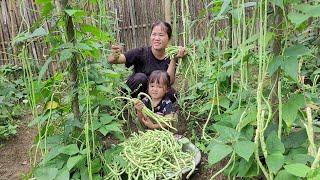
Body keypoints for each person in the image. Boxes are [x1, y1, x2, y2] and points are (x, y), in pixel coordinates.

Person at [108, 20, 186, 102]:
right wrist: (114, 54)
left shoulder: (171, 55)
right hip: (136, 91)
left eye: (161, 35)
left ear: (169, 38)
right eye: (154, 34)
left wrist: (174, 59)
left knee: (172, 94)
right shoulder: (141, 52)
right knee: (140, 78)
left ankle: (152, 107)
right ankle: (130, 104)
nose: (156, 38)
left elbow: (169, 82)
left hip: (153, 92)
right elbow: (114, 60)